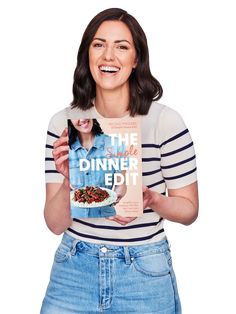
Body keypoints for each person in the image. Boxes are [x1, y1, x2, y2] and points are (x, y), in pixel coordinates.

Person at [41, 7, 198, 314]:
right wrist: (70, 179)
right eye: (99, 44)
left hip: (143, 271)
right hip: (74, 269)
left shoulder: (164, 122)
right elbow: (55, 223)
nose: (108, 56)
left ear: (136, 59)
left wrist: (151, 199)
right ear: (87, 53)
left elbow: (189, 210)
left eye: (121, 46)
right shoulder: (63, 123)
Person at [68, 118, 127, 218]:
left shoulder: (115, 144)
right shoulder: (64, 148)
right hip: (74, 219)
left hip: (106, 217)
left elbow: (120, 183)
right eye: (76, 116)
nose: (82, 119)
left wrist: (119, 191)